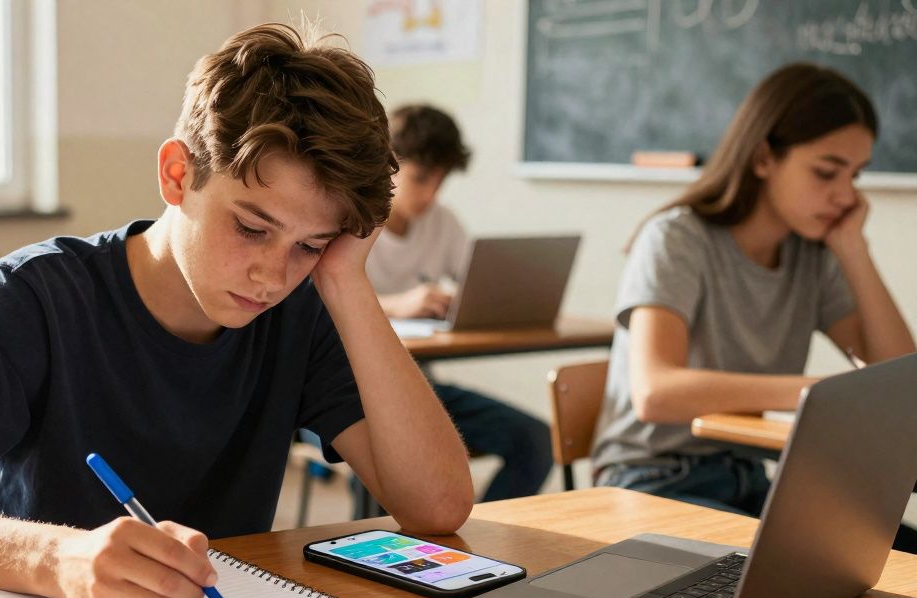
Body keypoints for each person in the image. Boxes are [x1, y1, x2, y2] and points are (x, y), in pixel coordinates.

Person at [0, 23, 473, 598]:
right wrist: (59, 560)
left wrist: (345, 280)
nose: (272, 277)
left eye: (310, 244)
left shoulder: (298, 310)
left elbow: (437, 507)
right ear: (178, 174)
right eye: (252, 228)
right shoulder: (35, 297)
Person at [592, 63, 915, 516]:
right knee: (805, 576)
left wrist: (854, 249)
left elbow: (899, 376)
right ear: (764, 158)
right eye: (827, 172)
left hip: (751, 477)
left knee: (898, 557)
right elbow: (654, 392)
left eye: (855, 176)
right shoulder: (676, 239)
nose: (846, 196)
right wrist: (814, 391)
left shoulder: (814, 254)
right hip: (649, 479)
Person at [366, 104, 553, 501]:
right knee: (382, 454)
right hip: (349, 392)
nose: (431, 194)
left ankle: (482, 545)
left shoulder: (442, 222)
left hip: (421, 386)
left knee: (536, 441)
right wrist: (397, 304)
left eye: (441, 180)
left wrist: (463, 301)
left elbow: (480, 289)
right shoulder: (353, 219)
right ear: (388, 164)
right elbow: (313, 306)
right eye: (420, 179)